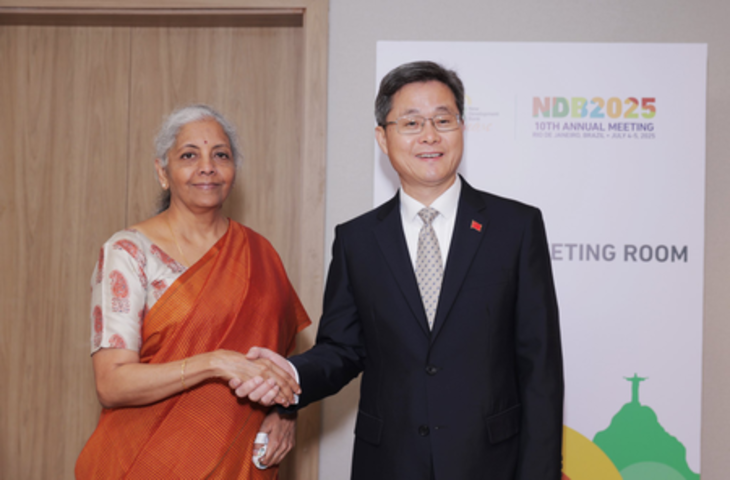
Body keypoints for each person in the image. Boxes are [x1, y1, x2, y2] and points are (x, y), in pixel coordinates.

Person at [240, 61, 564, 479]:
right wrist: (292, 372)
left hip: (490, 463)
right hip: (389, 463)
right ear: (383, 137)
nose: (429, 136)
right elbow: (342, 349)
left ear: (462, 128)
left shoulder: (515, 228)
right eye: (411, 123)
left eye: (443, 120)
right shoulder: (357, 240)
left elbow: (540, 367)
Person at [75, 105, 310, 479]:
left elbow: (283, 359)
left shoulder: (260, 253)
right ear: (162, 172)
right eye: (189, 155)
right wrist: (213, 363)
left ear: (234, 171)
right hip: (146, 461)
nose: (207, 167)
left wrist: (285, 412)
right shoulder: (129, 253)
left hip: (238, 461)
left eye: (221, 155)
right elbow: (112, 383)